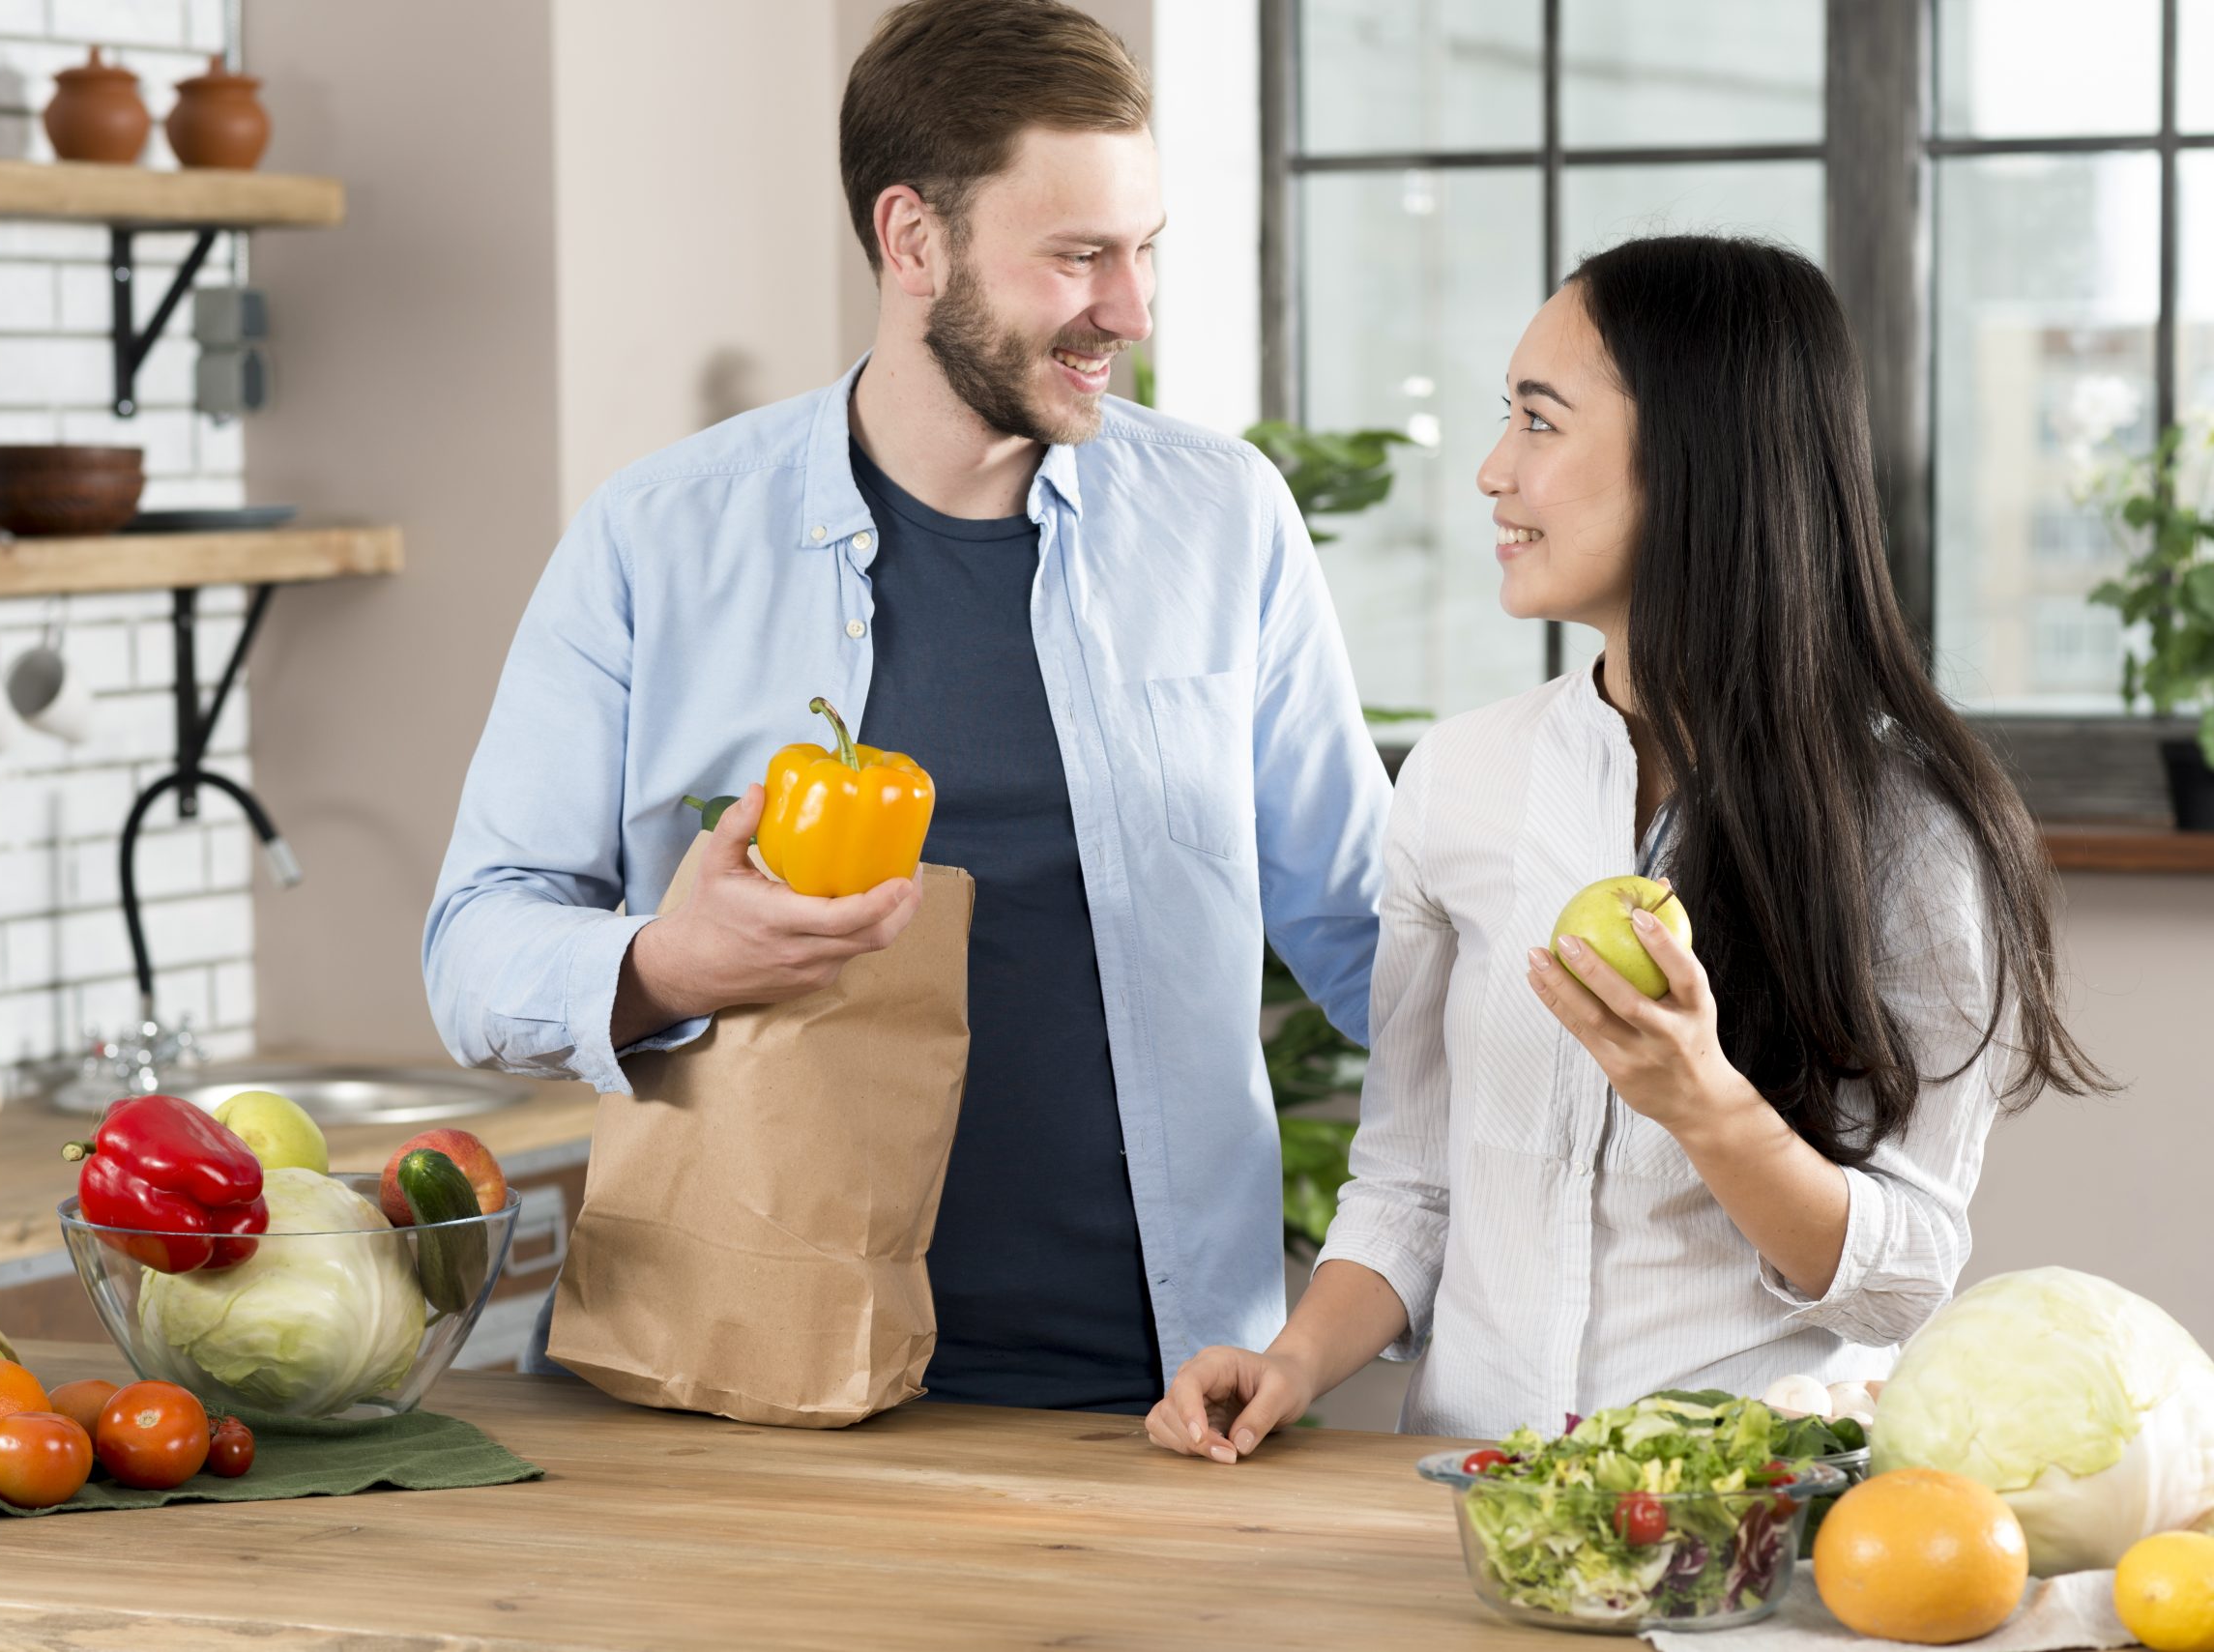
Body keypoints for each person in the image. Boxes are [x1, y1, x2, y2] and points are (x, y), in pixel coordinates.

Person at [423, 0, 1391, 1413]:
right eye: (1077, 257)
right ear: (913, 241)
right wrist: (671, 963)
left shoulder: (1221, 518)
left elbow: (1366, 927)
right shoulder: (660, 538)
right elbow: (475, 946)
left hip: (1163, 1391)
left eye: (1144, 251)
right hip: (744, 1375)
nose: (1129, 309)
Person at [1147, 234, 2108, 1459]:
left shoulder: (1911, 826)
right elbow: (1410, 1188)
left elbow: (1901, 1274)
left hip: (1751, 1520)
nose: (1493, 472)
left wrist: (1704, 1105)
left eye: (1540, 424)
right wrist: (1287, 1361)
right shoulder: (1460, 779)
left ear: (1700, 458)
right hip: (1478, 1498)